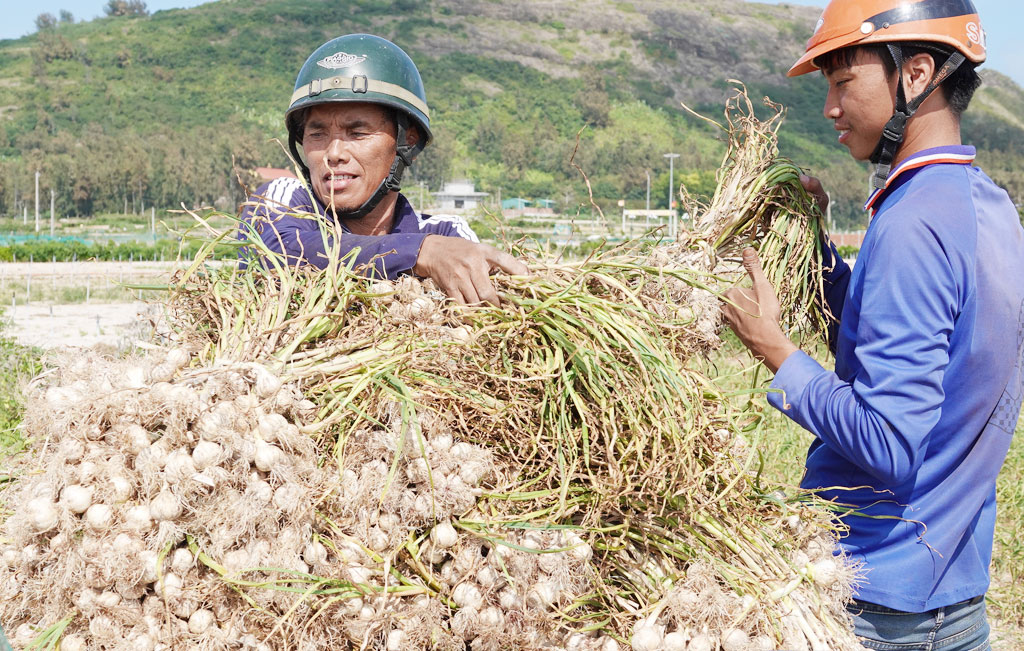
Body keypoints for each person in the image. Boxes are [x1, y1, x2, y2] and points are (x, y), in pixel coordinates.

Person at [722, 1, 1024, 649]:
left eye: (842, 81)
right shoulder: (985, 206)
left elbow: (889, 440)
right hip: (952, 596)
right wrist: (821, 255)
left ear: (916, 73)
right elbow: (904, 355)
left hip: (878, 604)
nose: (829, 106)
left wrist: (777, 351)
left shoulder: (910, 225)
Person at [240, 33, 526, 305]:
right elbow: (279, 253)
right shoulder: (283, 200)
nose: (334, 153)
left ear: (407, 142)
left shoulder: (446, 232)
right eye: (318, 134)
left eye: (357, 133)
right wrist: (417, 252)